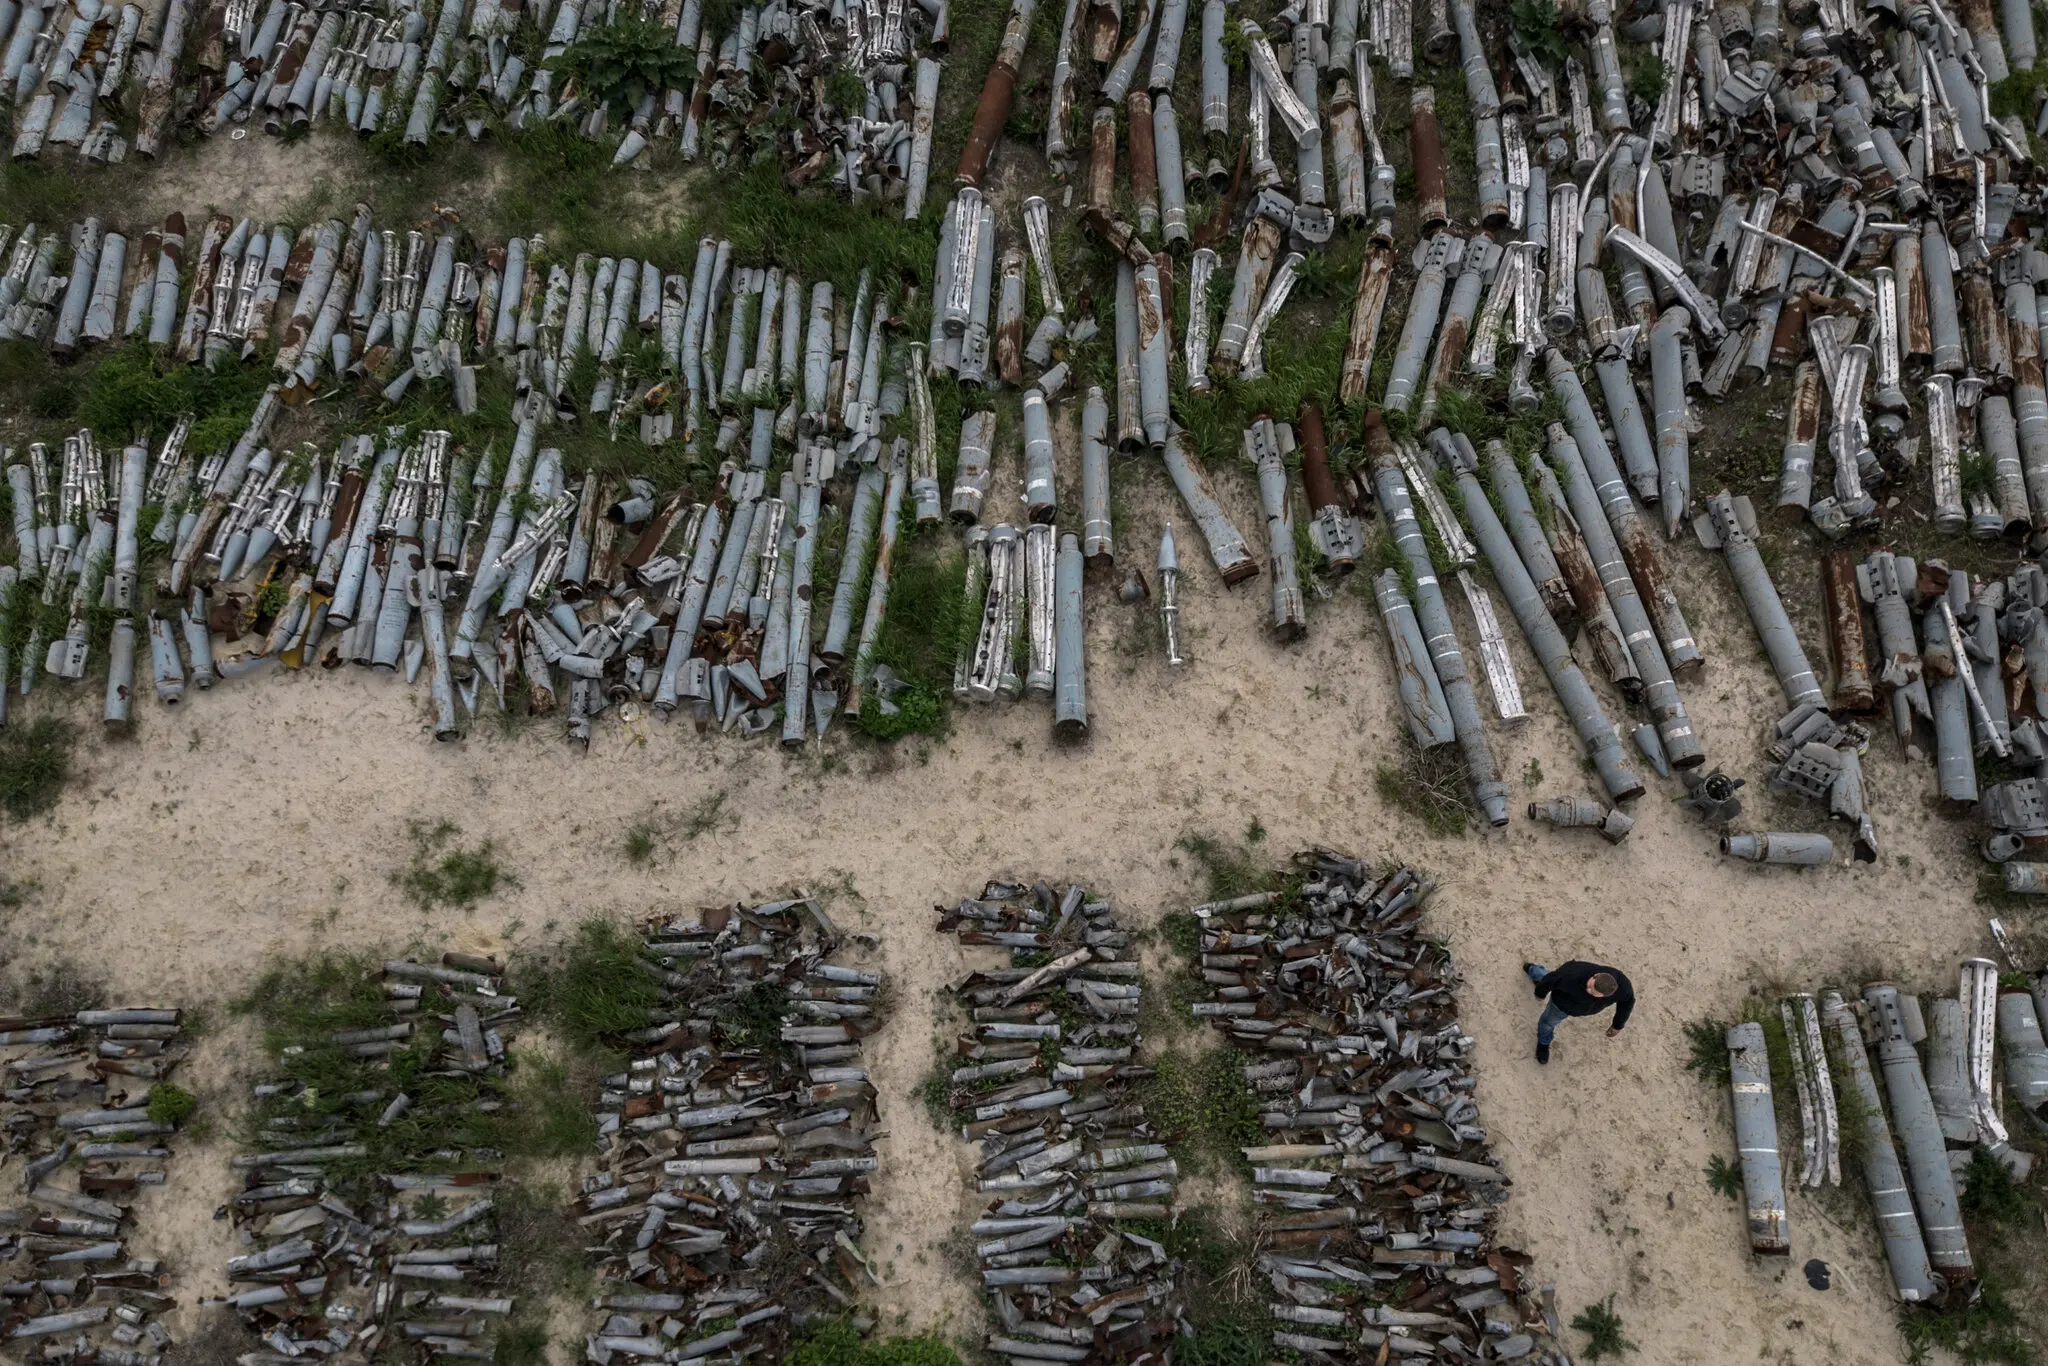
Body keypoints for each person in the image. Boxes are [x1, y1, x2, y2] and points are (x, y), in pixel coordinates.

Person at [1523, 960, 1633, 1064]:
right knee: (1547, 1022)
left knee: (1550, 978)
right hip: (1560, 1006)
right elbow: (1551, 980)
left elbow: (1627, 1002)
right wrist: (1540, 994)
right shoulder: (1571, 973)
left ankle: (1534, 970)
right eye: (1590, 986)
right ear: (1595, 976)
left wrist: (1617, 1025)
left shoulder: (1623, 987)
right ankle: (1543, 1042)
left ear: (1604, 996)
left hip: (1571, 1000)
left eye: (1592, 992)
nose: (1588, 990)